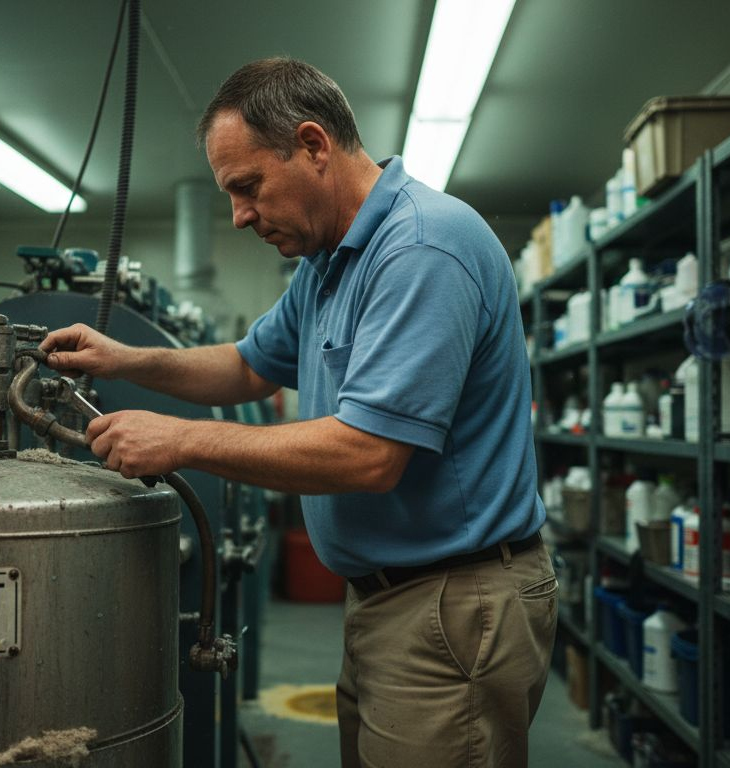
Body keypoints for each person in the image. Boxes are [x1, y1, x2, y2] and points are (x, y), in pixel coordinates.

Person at [39, 57, 555, 768]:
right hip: (392, 598)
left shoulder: (420, 249)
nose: (241, 215)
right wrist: (124, 358)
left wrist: (182, 441)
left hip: (451, 603)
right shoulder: (329, 260)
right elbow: (250, 365)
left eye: (247, 187)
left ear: (314, 146)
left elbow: (369, 455)